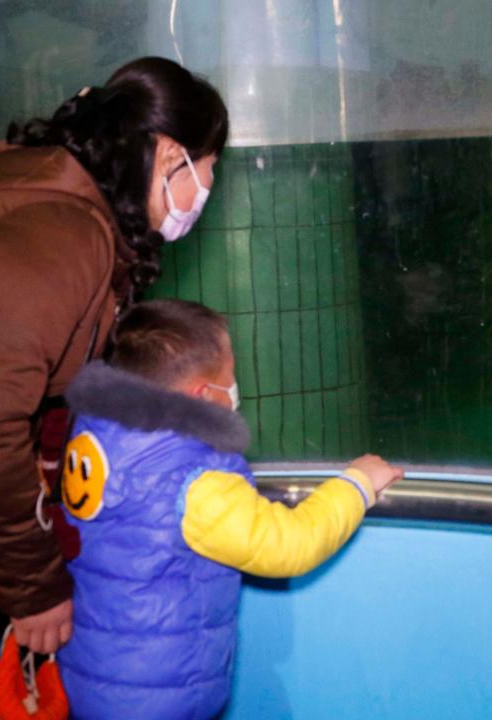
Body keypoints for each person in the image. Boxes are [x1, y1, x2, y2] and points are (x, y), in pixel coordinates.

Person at [0, 57, 228, 713]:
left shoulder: (69, 218)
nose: (209, 188)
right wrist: (35, 585)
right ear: (169, 156)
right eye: (211, 167)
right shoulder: (62, 232)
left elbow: (38, 392)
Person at [55, 298, 403, 719]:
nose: (235, 388)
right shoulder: (193, 478)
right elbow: (286, 546)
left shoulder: (97, 436)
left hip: (90, 671)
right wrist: (358, 484)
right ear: (203, 395)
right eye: (231, 378)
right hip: (159, 694)